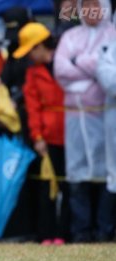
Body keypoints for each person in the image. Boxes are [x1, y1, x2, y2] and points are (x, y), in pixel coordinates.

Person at [54, 0, 116, 242]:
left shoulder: (112, 36)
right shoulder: (70, 36)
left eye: (96, 5)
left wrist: (79, 63)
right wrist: (94, 73)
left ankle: (104, 231)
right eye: (86, 4)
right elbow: (60, 70)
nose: (92, 10)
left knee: (108, 175)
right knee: (77, 176)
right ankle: (81, 231)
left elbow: (109, 76)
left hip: (106, 120)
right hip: (75, 120)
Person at [13, 23, 69, 245]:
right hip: (48, 140)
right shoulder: (32, 74)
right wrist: (37, 137)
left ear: (39, 46)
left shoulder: (66, 65)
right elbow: (32, 108)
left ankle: (67, 233)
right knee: (46, 189)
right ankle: (47, 235)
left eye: (30, 51)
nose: (29, 56)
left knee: (71, 188)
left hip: (75, 136)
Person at [97, 38, 116, 236]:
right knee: (113, 176)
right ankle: (105, 232)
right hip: (112, 124)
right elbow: (110, 82)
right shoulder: (109, 48)